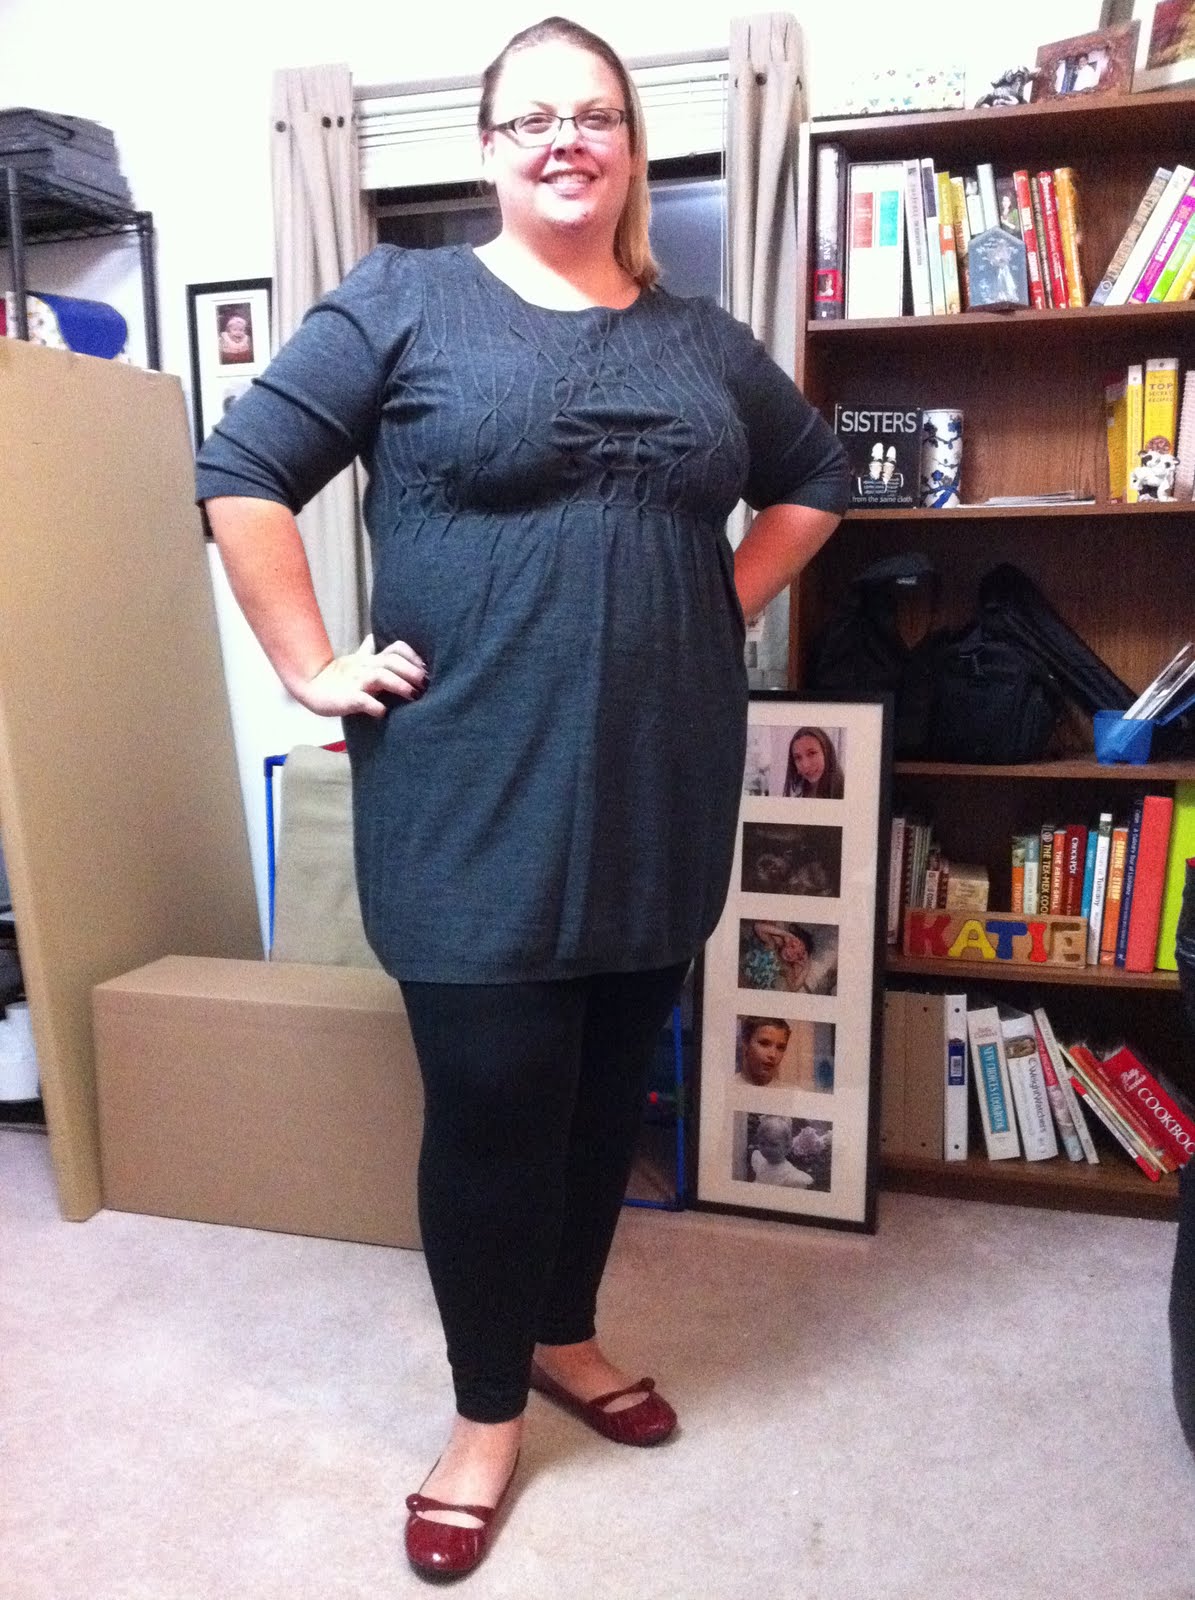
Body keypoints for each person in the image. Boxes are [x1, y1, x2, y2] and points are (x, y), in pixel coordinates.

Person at [196, 14, 848, 1581]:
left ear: (630, 146)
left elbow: (815, 476)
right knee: (495, 1105)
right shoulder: (401, 300)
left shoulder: (702, 342)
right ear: (488, 149)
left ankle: (561, 1331)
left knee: (604, 1095)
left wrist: (718, 602)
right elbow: (241, 471)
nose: (567, 138)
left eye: (595, 115)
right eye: (533, 117)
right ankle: (483, 1417)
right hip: (466, 783)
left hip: (657, 777)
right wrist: (307, 665)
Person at [749, 1115, 815, 1188]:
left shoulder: (791, 1176)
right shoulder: (760, 1161)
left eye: (773, 1144)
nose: (767, 1149)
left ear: (787, 1147)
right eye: (762, 1143)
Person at [782, 726, 844, 798]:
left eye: (812, 753)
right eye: (798, 757)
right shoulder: (797, 791)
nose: (805, 765)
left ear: (827, 753)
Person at [738, 1017, 791, 1086]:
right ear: (746, 1043)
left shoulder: (792, 1091)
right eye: (764, 1043)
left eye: (780, 1047)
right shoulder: (726, 1085)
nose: (773, 1055)